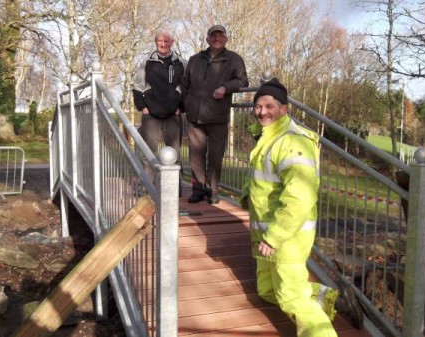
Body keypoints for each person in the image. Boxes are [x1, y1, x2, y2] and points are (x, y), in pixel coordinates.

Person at [240, 78, 363, 336]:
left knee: (291, 297)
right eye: (258, 106)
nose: (262, 112)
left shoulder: (293, 142)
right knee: (267, 291)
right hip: (266, 233)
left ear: (284, 109)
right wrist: (246, 197)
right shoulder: (268, 136)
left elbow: (299, 197)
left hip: (287, 236)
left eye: (269, 106)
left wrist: (275, 237)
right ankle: (331, 300)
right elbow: (264, 178)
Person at [181, 24, 249, 204]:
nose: (217, 39)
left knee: (215, 156)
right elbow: (185, 85)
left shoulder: (234, 59)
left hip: (218, 117)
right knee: (195, 156)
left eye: (220, 36)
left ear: (226, 39)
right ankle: (198, 189)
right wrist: (187, 104)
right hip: (195, 117)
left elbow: (243, 81)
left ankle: (213, 190)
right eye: (213, 36)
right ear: (207, 39)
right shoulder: (195, 59)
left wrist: (225, 88)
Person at [133, 28, 186, 191]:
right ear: (156, 43)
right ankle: (147, 187)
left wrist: (180, 107)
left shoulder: (182, 63)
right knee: (149, 153)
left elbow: (186, 86)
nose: (162, 44)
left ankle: (174, 187)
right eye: (159, 41)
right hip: (151, 115)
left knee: (174, 152)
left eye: (166, 41)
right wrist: (142, 107)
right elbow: (137, 86)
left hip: (173, 114)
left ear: (172, 43)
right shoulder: (147, 62)